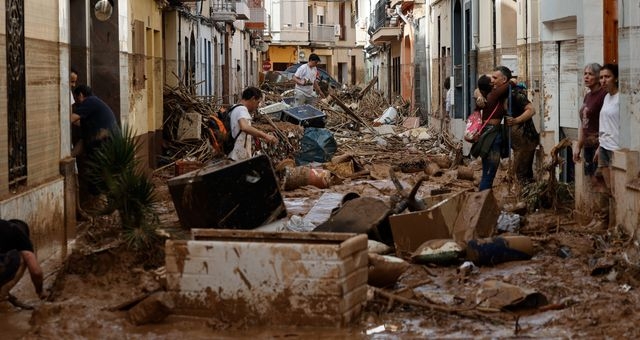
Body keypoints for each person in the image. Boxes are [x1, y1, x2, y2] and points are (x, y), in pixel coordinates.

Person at [71, 85, 119, 196]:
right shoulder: (91, 112)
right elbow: (84, 141)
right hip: (107, 144)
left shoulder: (89, 102)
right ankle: (100, 204)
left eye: (76, 98)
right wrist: (71, 155)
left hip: (106, 145)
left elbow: (70, 118)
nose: (76, 103)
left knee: (98, 177)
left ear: (81, 95)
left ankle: (100, 203)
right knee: (98, 177)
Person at [471, 66, 513, 191]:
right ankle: (482, 203)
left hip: (488, 133)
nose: (494, 81)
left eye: (495, 78)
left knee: (487, 172)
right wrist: (513, 80)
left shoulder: (486, 95)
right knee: (489, 173)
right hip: (492, 135)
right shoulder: (494, 94)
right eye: (492, 79)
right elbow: (510, 83)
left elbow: (477, 89)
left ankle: (482, 201)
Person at [573, 63, 607, 186]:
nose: (586, 77)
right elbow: (584, 123)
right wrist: (578, 146)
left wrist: (601, 147)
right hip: (588, 145)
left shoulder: (603, 96)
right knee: (592, 182)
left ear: (598, 77)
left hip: (599, 145)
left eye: (590, 74)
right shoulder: (587, 96)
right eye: (585, 74)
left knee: (600, 182)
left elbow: (607, 123)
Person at [0, 219, 45, 306]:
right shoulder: (19, 234)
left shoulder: (3, 226)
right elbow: (36, 272)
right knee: (25, 257)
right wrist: (40, 291)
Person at [228, 86, 279, 161]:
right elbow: (244, 127)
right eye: (257, 102)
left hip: (234, 155)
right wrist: (265, 136)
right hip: (235, 157)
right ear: (253, 99)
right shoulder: (241, 109)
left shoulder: (234, 107)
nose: (257, 106)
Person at [505, 82, 538, 185]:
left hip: (526, 135)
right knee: (520, 170)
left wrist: (516, 120)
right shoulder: (502, 95)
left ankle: (524, 195)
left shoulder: (516, 94)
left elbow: (531, 110)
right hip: (517, 138)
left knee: (523, 171)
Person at [595, 63, 620, 196]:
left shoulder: (621, 98)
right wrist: (600, 146)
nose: (603, 81)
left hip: (616, 148)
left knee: (618, 189)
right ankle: (608, 217)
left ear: (615, 78)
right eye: (601, 77)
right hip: (604, 147)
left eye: (607, 77)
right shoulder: (606, 97)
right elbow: (605, 124)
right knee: (609, 190)